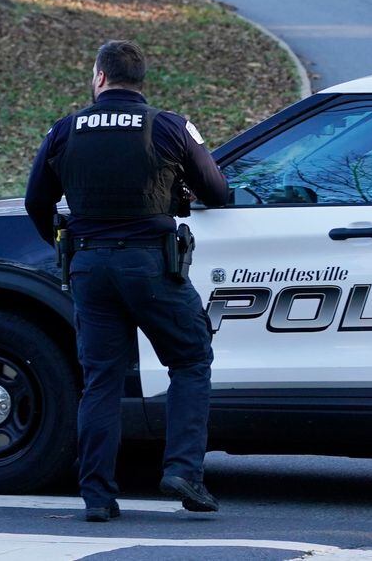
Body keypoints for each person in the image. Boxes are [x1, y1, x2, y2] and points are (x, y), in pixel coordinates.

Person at [25, 40, 230, 523]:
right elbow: (217, 192)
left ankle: (97, 494)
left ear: (99, 77)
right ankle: (183, 470)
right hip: (151, 267)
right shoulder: (170, 126)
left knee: (101, 380)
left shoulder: (64, 130)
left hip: (90, 269)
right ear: (141, 80)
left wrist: (63, 244)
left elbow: (36, 201)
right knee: (191, 358)